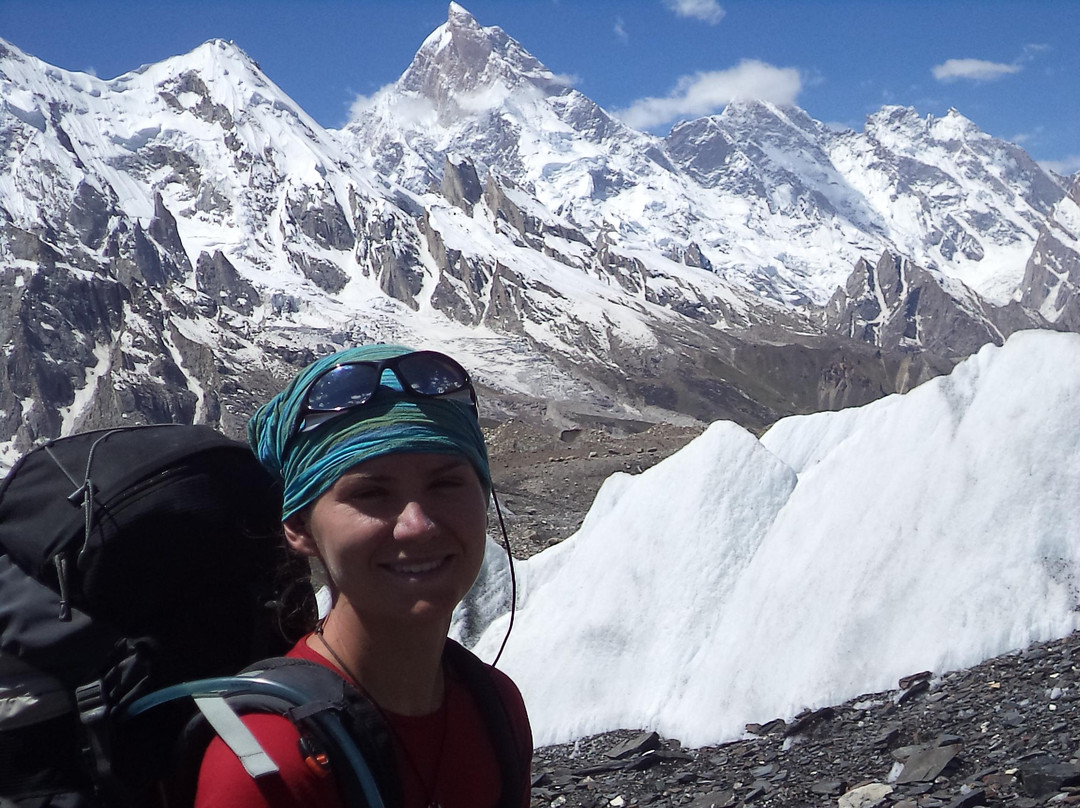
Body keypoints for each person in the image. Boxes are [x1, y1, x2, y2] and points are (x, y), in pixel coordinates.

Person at [193, 344, 532, 808]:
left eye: (446, 483)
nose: (418, 525)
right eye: (371, 493)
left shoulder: (497, 707)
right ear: (298, 527)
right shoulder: (268, 763)